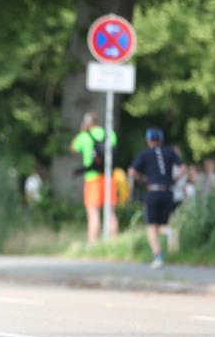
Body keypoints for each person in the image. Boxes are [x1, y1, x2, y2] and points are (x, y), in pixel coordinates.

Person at [128, 128, 184, 269]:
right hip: (167, 192)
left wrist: (143, 179)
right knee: (162, 225)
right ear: (161, 140)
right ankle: (170, 233)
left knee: (151, 227)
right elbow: (183, 168)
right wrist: (175, 180)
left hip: (153, 192)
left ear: (148, 140)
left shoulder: (145, 153)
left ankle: (158, 256)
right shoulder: (170, 152)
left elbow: (132, 171)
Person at [70, 111, 118, 244]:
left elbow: (73, 148)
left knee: (93, 213)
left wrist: (82, 131)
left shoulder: (84, 135)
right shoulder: (109, 133)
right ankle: (114, 244)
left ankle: (92, 244)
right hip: (108, 177)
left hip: (92, 179)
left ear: (87, 123)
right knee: (110, 213)